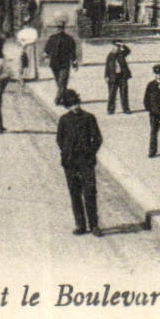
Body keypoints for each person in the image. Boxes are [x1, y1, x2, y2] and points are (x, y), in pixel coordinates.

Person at [55, 88, 103, 236]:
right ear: (67, 106)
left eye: (76, 103)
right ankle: (80, 224)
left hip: (86, 160)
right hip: (70, 161)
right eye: (71, 105)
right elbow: (59, 139)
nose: (75, 107)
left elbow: (98, 138)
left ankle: (94, 225)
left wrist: (90, 152)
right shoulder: (64, 120)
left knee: (89, 192)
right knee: (75, 192)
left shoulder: (89, 118)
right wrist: (67, 152)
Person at [43, 21, 78, 102]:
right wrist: (45, 56)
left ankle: (58, 98)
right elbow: (47, 49)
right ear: (56, 28)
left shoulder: (69, 39)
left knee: (62, 81)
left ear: (64, 28)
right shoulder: (52, 38)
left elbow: (73, 52)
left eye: (61, 28)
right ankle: (64, 97)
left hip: (64, 64)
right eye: (58, 27)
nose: (60, 29)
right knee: (59, 82)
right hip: (54, 64)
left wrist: (74, 62)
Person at [104, 41, 133, 115]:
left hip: (122, 76)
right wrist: (106, 76)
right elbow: (107, 66)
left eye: (118, 47)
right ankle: (110, 109)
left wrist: (123, 45)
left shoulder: (122, 54)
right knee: (112, 94)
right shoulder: (110, 55)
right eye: (114, 47)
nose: (116, 49)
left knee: (124, 93)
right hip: (113, 77)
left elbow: (128, 51)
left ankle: (126, 109)